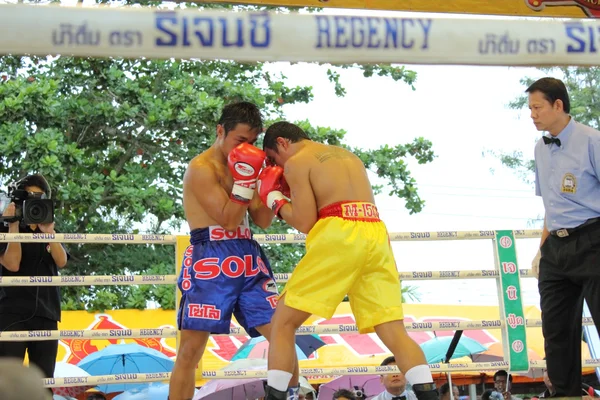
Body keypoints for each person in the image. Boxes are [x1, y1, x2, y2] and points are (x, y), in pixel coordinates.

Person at [257, 121, 439, 400]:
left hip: (339, 234)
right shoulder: (347, 156)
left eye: (272, 159)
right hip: (375, 233)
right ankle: (430, 396)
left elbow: (305, 222)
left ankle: (275, 397)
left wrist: (275, 200)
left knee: (282, 321)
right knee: (391, 327)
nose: (277, 167)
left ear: (282, 143)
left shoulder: (296, 161)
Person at [169, 102, 296, 400]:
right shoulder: (201, 169)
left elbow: (262, 220)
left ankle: (293, 396)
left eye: (252, 143)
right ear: (220, 131)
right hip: (211, 257)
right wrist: (245, 179)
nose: (247, 149)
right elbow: (227, 219)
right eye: (241, 141)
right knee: (191, 349)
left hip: (248, 257)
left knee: (281, 333)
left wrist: (274, 186)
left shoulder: (245, 166)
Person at [528, 77, 600, 398]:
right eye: (530, 109)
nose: (533, 115)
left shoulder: (591, 141)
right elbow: (550, 205)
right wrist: (541, 249)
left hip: (594, 238)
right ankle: (565, 394)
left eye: (538, 107)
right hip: (555, 246)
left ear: (558, 105)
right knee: (555, 331)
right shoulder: (540, 149)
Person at [0, 174, 68, 381]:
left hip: (47, 313)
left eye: (39, 198)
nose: (35, 203)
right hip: (11, 314)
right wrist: (12, 225)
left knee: (44, 382)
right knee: (9, 384)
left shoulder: (47, 228)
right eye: (30, 197)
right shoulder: (4, 228)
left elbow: (62, 261)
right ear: (19, 200)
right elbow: (12, 264)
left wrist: (49, 232)